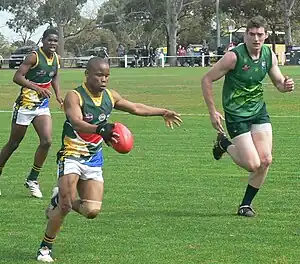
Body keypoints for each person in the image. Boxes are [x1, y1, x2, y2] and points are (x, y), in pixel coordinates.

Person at [36, 57, 182, 262]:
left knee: (91, 210)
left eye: (107, 76)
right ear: (87, 74)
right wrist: (100, 129)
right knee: (66, 207)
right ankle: (45, 248)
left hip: (94, 158)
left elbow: (135, 107)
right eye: (99, 75)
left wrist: (162, 112)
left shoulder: (110, 96)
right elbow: (77, 122)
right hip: (71, 155)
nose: (104, 79)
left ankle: (57, 198)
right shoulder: (74, 96)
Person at [201, 16, 294, 217]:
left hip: (258, 111)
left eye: (260, 34)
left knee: (266, 160)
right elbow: (207, 79)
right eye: (251, 34)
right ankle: (223, 144)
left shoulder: (269, 54)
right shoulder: (233, 57)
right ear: (245, 35)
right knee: (252, 164)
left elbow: (278, 82)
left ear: (266, 36)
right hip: (236, 115)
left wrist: (285, 86)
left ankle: (245, 205)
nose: (256, 38)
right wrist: (212, 111)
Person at [0, 28, 63, 198]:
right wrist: (37, 88)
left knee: (47, 141)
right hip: (25, 105)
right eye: (50, 40)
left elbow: (54, 76)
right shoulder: (34, 56)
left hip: (41, 106)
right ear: (43, 41)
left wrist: (58, 94)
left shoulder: (56, 58)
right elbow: (17, 77)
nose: (53, 44)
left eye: (55, 41)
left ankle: (32, 179)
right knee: (14, 144)